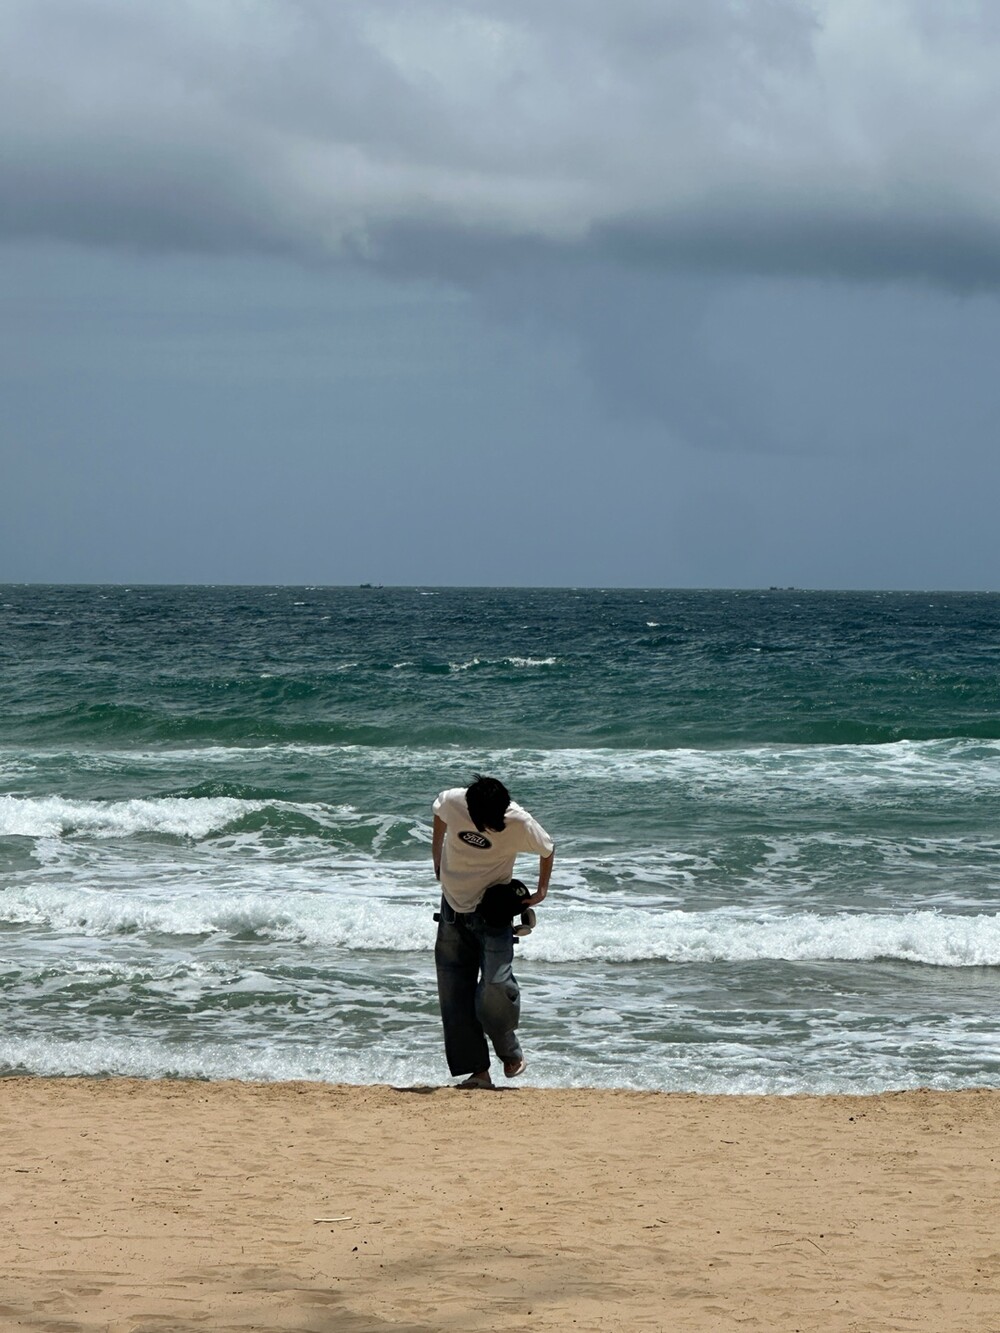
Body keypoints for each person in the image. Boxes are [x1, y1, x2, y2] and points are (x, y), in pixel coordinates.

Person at [432, 774, 554, 1089]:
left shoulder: (518, 821)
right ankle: (478, 1073)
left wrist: (541, 892)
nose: (492, 827)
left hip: (492, 914)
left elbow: (547, 847)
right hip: (452, 910)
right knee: (454, 995)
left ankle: (508, 1049)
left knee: (495, 985)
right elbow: (439, 811)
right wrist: (437, 859)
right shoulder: (455, 801)